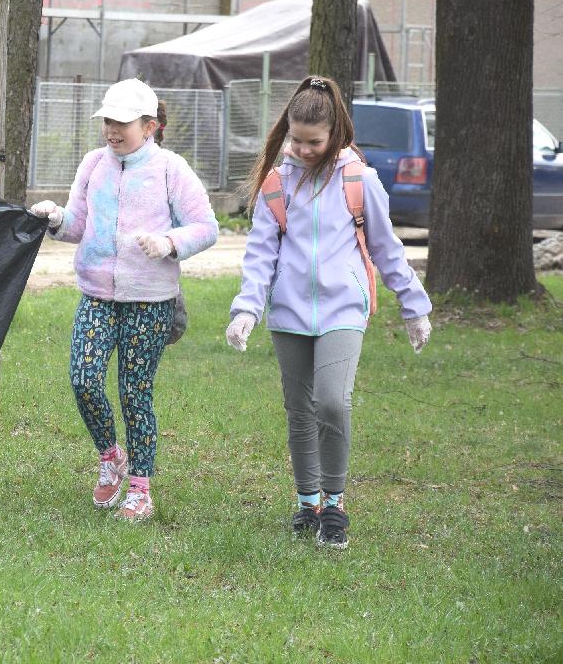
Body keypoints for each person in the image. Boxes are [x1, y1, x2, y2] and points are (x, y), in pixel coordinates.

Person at [226, 75, 433, 550]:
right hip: (289, 314)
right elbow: (260, 255)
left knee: (333, 402)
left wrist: (414, 306)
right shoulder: (277, 183)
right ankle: (306, 504)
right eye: (295, 139)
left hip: (344, 308)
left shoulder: (359, 179)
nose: (301, 149)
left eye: (312, 141)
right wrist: (246, 311)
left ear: (335, 132)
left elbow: (386, 247)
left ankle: (334, 505)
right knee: (299, 410)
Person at [29, 78, 219, 522]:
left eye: (122, 123)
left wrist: (170, 242)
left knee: (136, 393)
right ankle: (111, 456)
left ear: (150, 126)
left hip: (151, 300)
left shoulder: (171, 169)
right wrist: (56, 217)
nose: (112, 130)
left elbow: (206, 226)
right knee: (83, 378)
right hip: (96, 294)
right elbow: (77, 225)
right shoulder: (94, 163)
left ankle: (140, 489)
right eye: (108, 121)